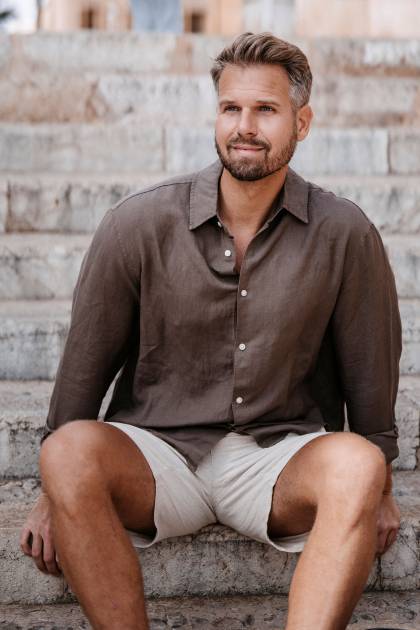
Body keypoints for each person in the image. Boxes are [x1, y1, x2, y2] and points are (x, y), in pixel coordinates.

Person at [20, 32, 402, 630]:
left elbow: (370, 370)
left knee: (357, 463)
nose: (244, 127)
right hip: (158, 454)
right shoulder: (138, 223)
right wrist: (54, 491)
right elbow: (84, 366)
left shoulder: (344, 232)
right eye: (231, 108)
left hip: (279, 458)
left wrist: (378, 485)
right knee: (66, 451)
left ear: (302, 123)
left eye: (266, 109)